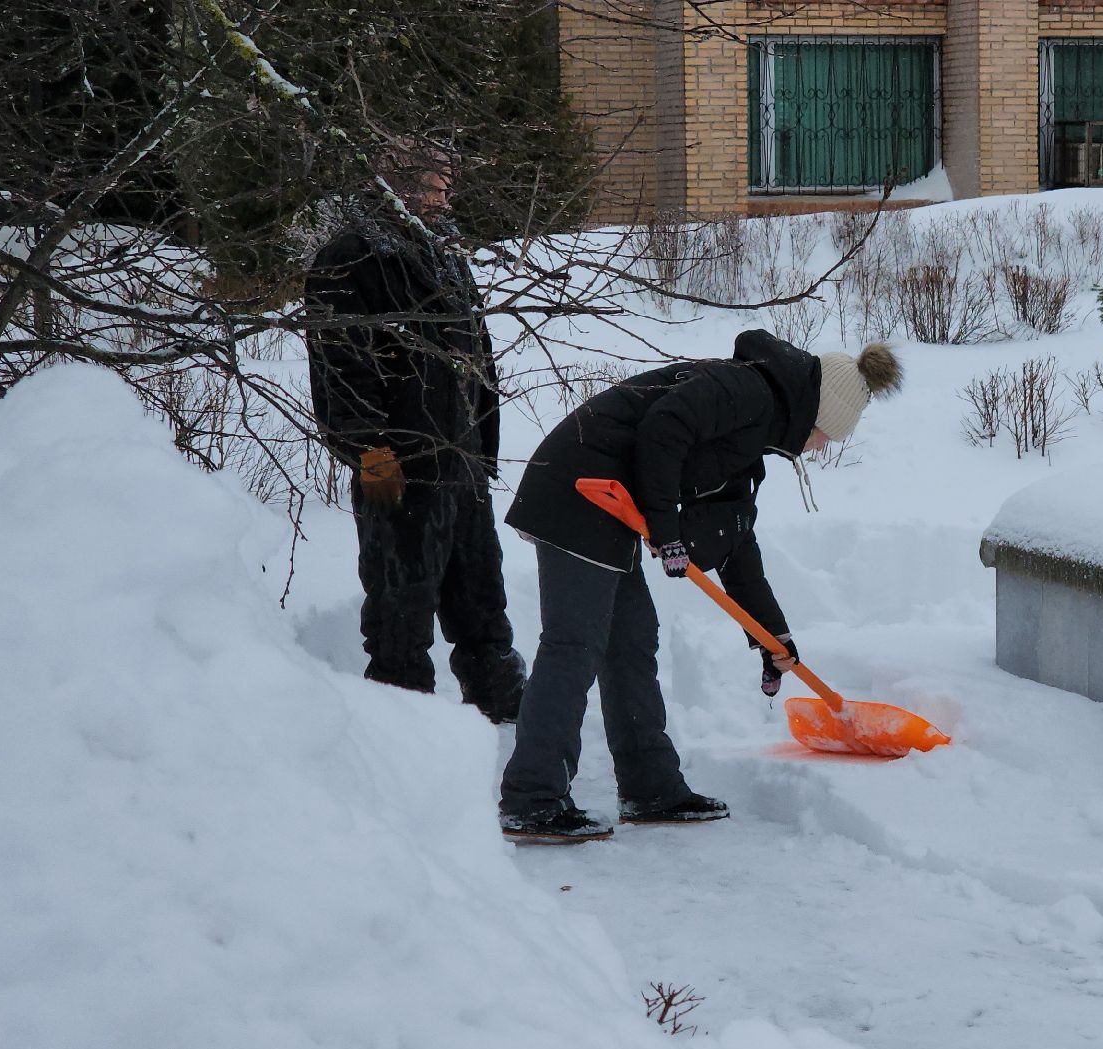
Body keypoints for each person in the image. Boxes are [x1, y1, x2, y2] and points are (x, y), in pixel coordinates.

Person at [496, 330, 902, 843]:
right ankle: (532, 798)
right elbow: (665, 428)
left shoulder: (752, 437)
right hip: (581, 488)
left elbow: (735, 540)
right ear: (820, 411)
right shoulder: (745, 389)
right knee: (574, 645)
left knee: (630, 641)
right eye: (827, 434)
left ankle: (650, 787)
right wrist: (666, 532)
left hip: (607, 504)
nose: (821, 447)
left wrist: (772, 640)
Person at [302, 140, 526, 723]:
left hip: (462, 455)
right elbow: (341, 366)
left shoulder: (443, 253)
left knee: (480, 593)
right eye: (434, 185)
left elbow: (476, 353)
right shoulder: (350, 258)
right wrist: (366, 448)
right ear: (395, 187)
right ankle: (404, 723)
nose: (445, 195)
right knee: (401, 599)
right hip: (396, 460)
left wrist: (482, 444)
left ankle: (502, 706)